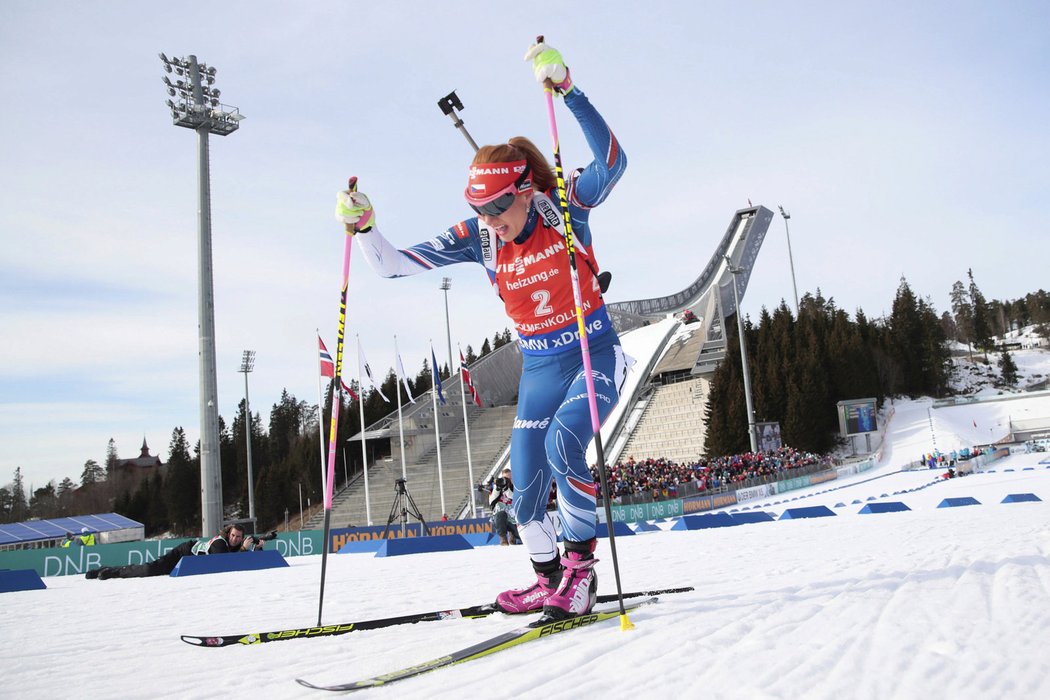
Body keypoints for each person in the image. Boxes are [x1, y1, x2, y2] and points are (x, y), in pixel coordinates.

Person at [335, 39, 628, 621]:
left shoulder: (562, 207)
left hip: (593, 352)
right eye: (481, 211)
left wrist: (568, 88)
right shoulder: (480, 237)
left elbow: (614, 162)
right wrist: (365, 228)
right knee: (521, 483)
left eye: (498, 208)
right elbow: (394, 264)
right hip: (539, 367)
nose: (489, 221)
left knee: (564, 444)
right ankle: (546, 579)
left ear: (523, 191)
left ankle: (580, 576)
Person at [86, 523, 262, 580]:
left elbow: (242, 560)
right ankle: (109, 571)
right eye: (233, 535)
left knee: (151, 570)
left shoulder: (234, 546)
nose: (236, 540)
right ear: (228, 533)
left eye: (239, 537)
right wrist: (244, 549)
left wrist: (258, 549)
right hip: (183, 553)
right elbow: (226, 562)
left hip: (190, 560)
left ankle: (108, 570)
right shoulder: (220, 543)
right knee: (149, 570)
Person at [489, 467, 520, 545]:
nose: (508, 480)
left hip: (514, 518)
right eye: (506, 478)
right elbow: (491, 501)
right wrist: (497, 489)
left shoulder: (517, 487)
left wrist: (506, 489)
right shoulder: (497, 487)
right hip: (501, 518)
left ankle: (512, 536)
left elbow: (515, 498)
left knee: (520, 536)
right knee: (500, 514)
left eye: (510, 478)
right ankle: (503, 539)